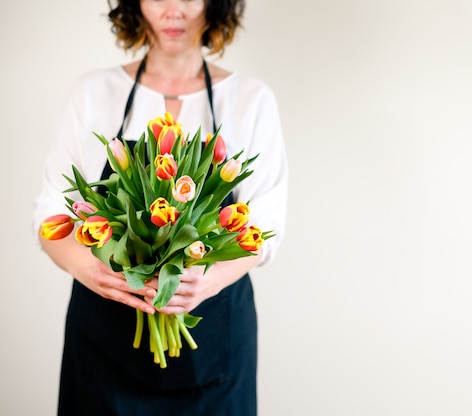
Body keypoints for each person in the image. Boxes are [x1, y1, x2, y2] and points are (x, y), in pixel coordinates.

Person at [32, 0, 288, 414]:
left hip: (215, 349)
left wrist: (208, 279)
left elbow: (265, 226)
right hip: (104, 349)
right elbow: (48, 215)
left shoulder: (250, 99)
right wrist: (87, 268)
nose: (173, 10)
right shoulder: (93, 93)